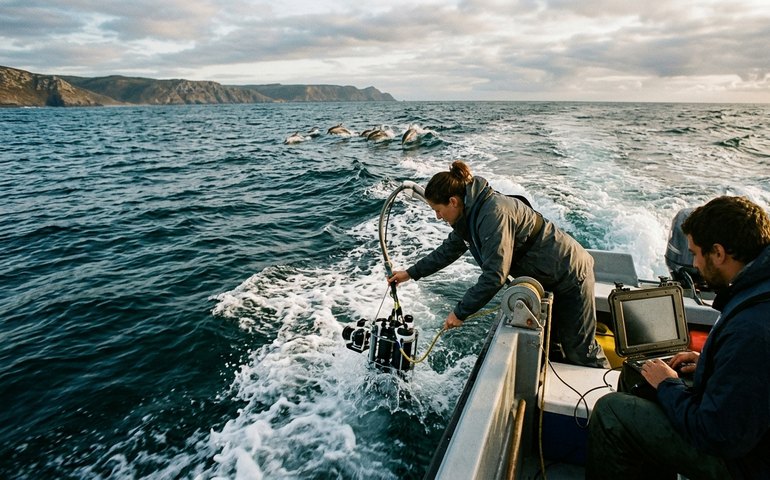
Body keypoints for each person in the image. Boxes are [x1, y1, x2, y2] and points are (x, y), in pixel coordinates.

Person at [586, 196, 770, 480]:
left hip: (743, 464)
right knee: (638, 377)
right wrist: (710, 363)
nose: (694, 263)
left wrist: (669, 384)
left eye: (696, 253)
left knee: (612, 412)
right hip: (749, 436)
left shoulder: (751, 329)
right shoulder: (758, 292)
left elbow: (715, 434)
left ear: (718, 253)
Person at [387, 160, 608, 368]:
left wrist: (460, 312)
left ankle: (607, 396)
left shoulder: (492, 213)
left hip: (570, 275)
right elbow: (448, 251)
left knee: (581, 351)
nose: (437, 216)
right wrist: (409, 273)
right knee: (553, 347)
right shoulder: (470, 214)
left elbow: (495, 275)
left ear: (453, 201)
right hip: (548, 278)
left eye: (438, 210)